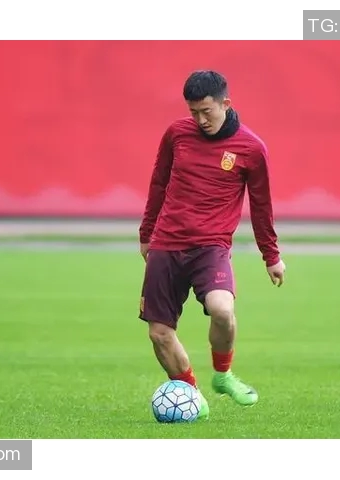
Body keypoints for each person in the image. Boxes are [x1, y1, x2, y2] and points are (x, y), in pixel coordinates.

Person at [138, 70, 286, 420]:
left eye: (207, 111)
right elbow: (158, 182)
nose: (201, 120)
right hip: (167, 242)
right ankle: (192, 395)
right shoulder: (177, 134)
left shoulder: (251, 149)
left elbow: (261, 205)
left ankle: (223, 374)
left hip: (211, 247)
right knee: (159, 333)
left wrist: (271, 256)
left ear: (225, 104)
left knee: (222, 310)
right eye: (194, 112)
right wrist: (147, 233)